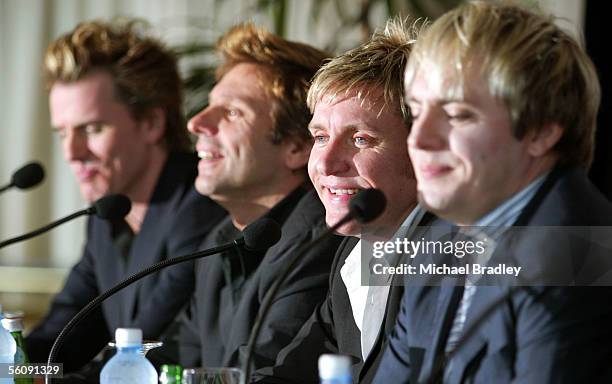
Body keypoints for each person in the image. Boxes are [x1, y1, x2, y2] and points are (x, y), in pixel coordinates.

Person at [374, 2, 612, 383]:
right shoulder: (438, 243)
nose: (418, 139)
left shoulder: (580, 255)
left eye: (457, 114)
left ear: (541, 130)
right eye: (417, 112)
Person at [25, 20, 227, 373]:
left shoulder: (201, 206)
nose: (71, 152)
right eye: (62, 133)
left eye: (91, 129)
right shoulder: (106, 215)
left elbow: (144, 351)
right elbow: (59, 341)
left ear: (151, 123)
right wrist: (13, 366)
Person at [153, 23, 344, 371]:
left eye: (232, 112)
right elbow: (172, 357)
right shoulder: (220, 240)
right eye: (209, 105)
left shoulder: (319, 243)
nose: (196, 122)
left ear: (298, 145)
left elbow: (261, 373)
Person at [254, 17, 432, 383]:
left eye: (361, 139)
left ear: (423, 148)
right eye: (320, 137)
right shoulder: (353, 255)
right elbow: (290, 374)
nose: (326, 163)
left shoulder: (452, 255)